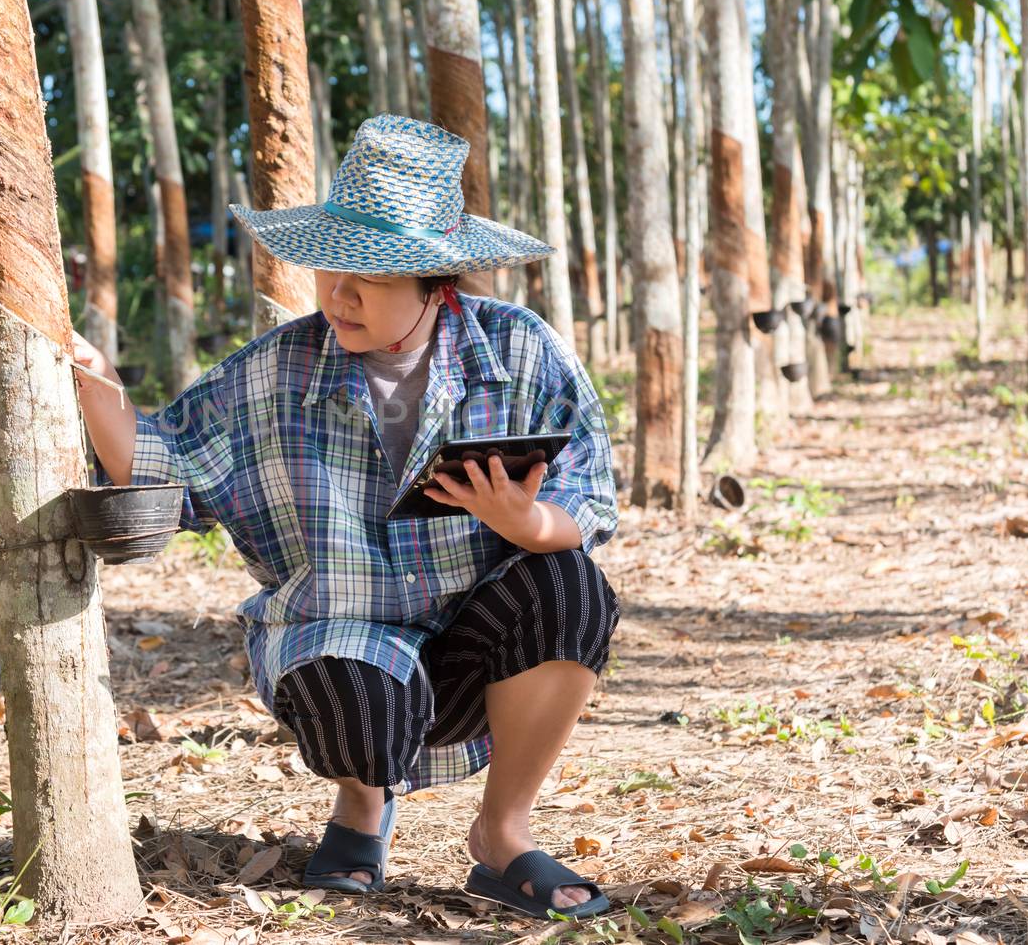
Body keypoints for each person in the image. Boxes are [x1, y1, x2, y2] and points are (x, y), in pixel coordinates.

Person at [72, 115, 620, 919]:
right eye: (333, 269)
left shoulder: (523, 351)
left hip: (479, 641)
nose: (339, 294)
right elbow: (163, 460)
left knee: (571, 587)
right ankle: (362, 808)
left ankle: (503, 835)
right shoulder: (278, 366)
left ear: (438, 284)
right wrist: (97, 382)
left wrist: (526, 523)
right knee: (358, 702)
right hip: (342, 637)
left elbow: (591, 494)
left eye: (372, 276)